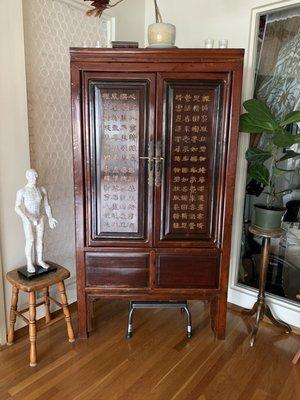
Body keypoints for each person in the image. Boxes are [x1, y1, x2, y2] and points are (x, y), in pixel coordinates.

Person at [15, 169, 58, 273]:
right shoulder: (22, 191)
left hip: (39, 217)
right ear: (28, 177)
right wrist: (25, 218)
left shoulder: (42, 189)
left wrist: (50, 217)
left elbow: (46, 205)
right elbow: (16, 207)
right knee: (30, 241)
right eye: (33, 176)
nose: (35, 178)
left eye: (36, 176)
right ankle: (29, 262)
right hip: (28, 219)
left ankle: (39, 260)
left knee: (40, 240)